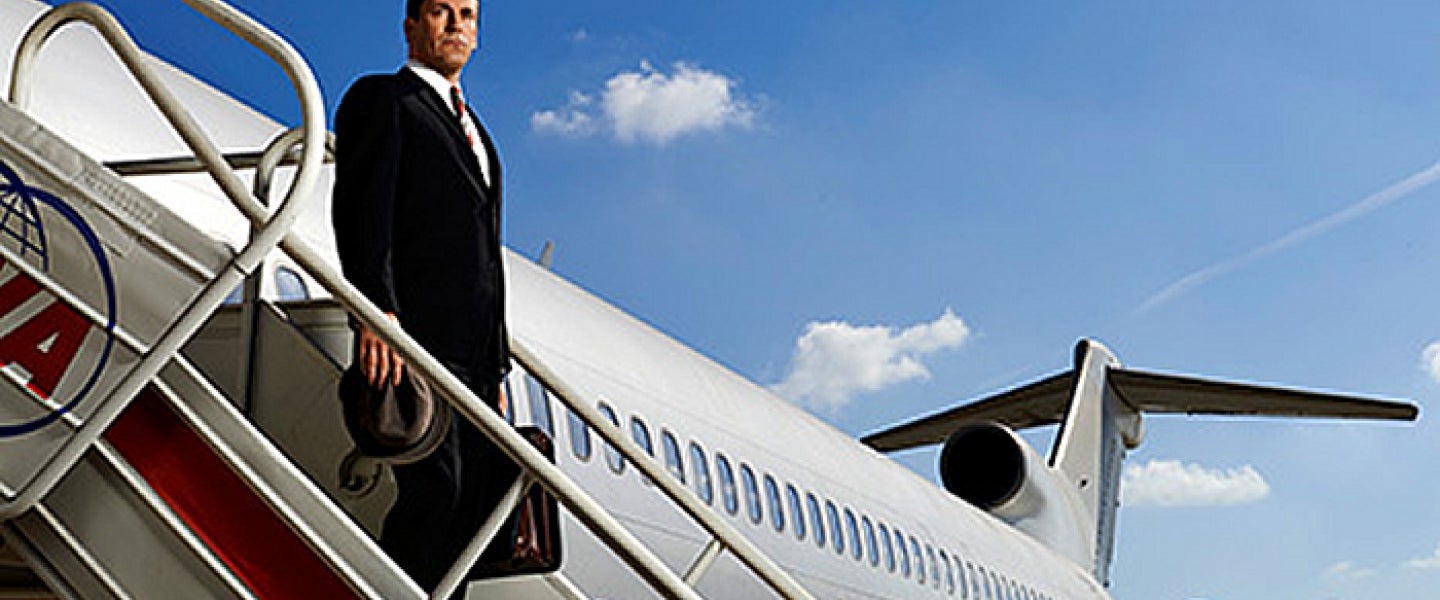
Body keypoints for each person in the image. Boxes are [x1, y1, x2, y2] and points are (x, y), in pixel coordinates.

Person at [330, 0, 514, 591]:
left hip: (476, 356)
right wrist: (374, 311)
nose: (457, 25)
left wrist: (497, 366)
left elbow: (486, 259)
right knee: (438, 490)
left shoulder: (478, 133)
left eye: (468, 15)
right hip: (417, 337)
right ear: (411, 25)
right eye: (441, 12)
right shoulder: (385, 100)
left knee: (473, 509)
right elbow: (363, 212)